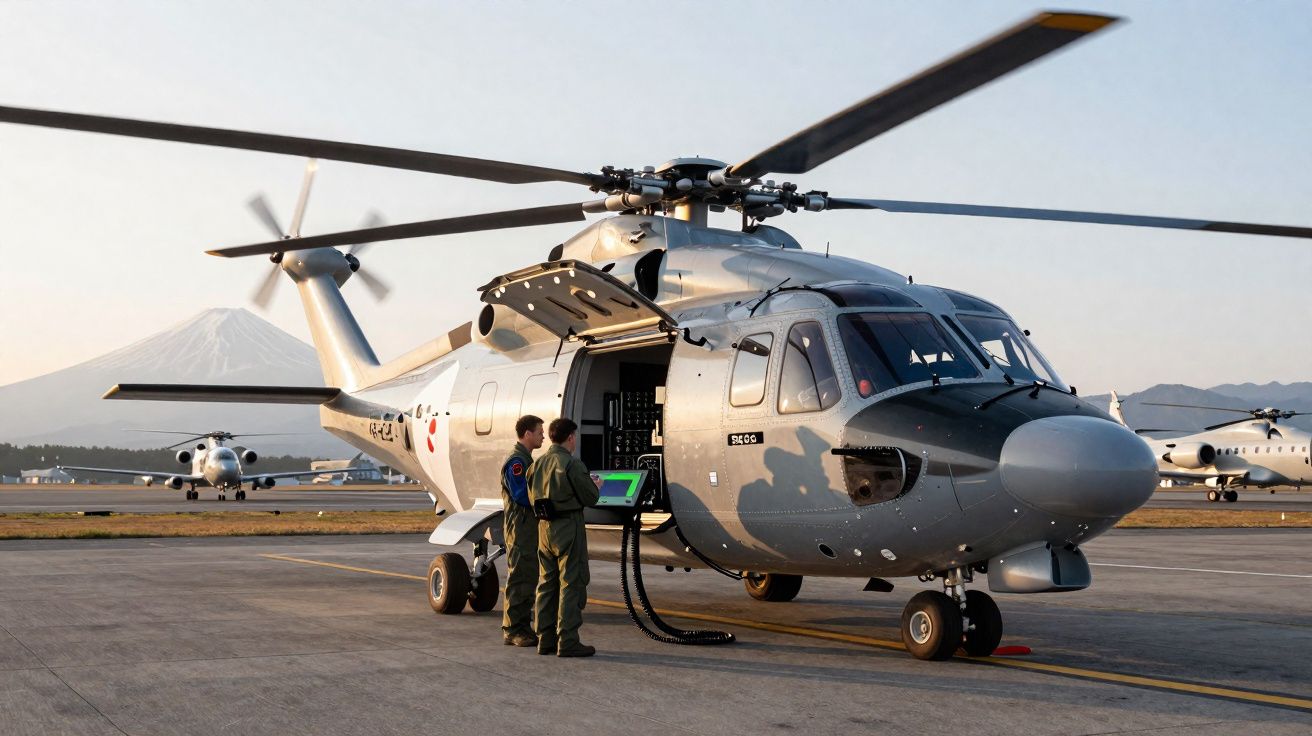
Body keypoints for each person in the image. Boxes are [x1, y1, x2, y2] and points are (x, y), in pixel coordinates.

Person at [528, 417, 601, 657]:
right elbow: (590, 498)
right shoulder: (571, 464)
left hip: (545, 528)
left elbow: (530, 497)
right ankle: (568, 640)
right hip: (568, 527)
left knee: (547, 583)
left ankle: (545, 639)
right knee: (571, 582)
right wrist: (596, 486)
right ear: (570, 437)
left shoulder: (537, 464)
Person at [500, 414, 544, 647]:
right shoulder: (517, 462)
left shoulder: (526, 460)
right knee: (520, 578)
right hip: (520, 528)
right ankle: (514, 630)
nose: (543, 437)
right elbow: (521, 495)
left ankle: (522, 627)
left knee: (528, 577)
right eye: (539, 432)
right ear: (527, 434)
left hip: (528, 527)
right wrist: (546, 501)